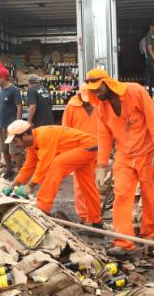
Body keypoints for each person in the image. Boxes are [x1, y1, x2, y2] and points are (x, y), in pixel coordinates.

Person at [84, 68, 154, 256]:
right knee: (121, 196)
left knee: (149, 195)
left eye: (98, 89)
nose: (96, 94)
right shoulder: (101, 109)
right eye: (93, 91)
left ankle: (148, 236)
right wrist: (101, 166)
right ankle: (123, 241)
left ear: (107, 83)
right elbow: (104, 137)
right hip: (124, 156)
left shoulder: (135, 91)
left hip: (147, 153)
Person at [6, 121, 103, 227]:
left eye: (15, 141)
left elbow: (44, 166)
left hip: (87, 146)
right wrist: (12, 185)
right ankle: (96, 221)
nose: (16, 145)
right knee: (87, 186)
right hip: (87, 147)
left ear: (24, 135)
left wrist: (29, 186)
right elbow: (28, 168)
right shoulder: (33, 145)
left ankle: (42, 206)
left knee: (57, 164)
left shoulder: (44, 136)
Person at [61, 85, 100, 224]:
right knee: (80, 185)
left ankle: (94, 214)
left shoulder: (99, 104)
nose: (88, 102)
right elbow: (65, 130)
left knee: (95, 183)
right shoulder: (71, 107)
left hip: (98, 149)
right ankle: (84, 216)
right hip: (80, 151)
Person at [0, 68, 23, 179]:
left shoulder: (14, 90)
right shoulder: (1, 90)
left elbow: (19, 107)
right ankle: (9, 170)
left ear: (3, 78)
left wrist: (17, 124)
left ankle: (21, 174)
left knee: (15, 151)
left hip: (11, 126)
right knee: (4, 150)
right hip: (2, 125)